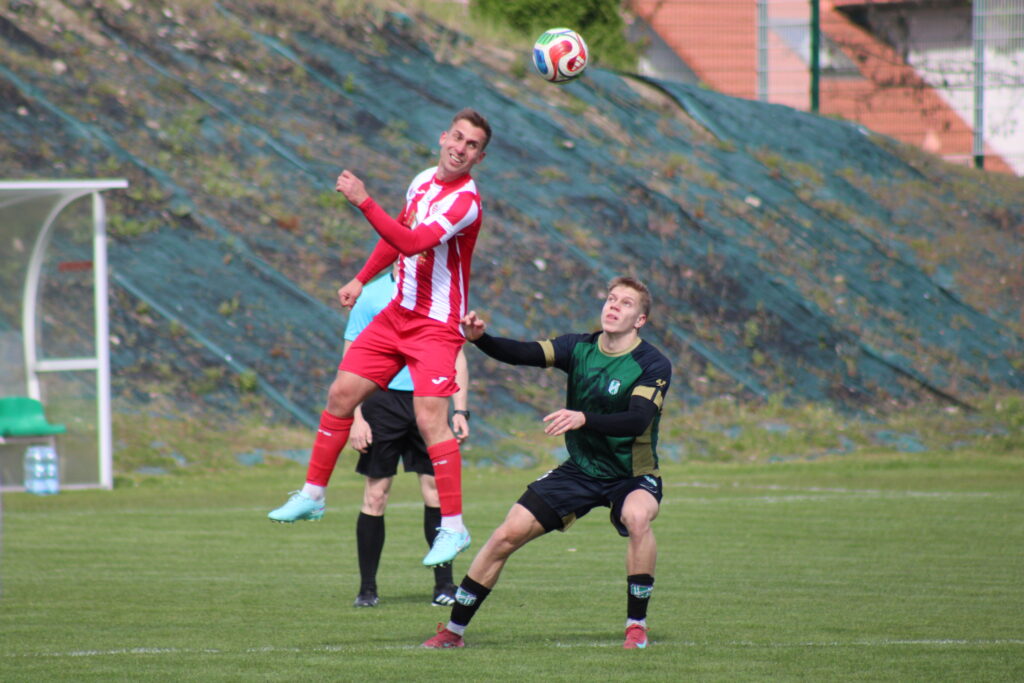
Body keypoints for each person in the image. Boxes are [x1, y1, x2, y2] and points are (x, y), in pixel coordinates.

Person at [269, 108, 491, 568]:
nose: (460, 148)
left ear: (479, 157)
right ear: (443, 137)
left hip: (434, 324)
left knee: (430, 421)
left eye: (471, 145)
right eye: (457, 137)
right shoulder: (422, 180)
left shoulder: (465, 202)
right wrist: (361, 278)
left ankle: (454, 527)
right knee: (340, 395)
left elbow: (414, 243)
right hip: (396, 314)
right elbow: (397, 238)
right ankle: (313, 494)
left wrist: (364, 202)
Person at [421, 276, 672, 650]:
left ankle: (636, 625)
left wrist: (584, 418)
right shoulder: (579, 347)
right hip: (581, 469)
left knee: (637, 517)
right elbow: (522, 353)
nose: (614, 306)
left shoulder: (652, 363)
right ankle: (453, 632)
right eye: (611, 298)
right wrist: (481, 340)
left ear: (640, 320)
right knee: (505, 535)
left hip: (632, 475)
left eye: (626, 303)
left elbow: (637, 420)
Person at [345, 266, 470, 608]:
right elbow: (351, 360)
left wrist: (460, 410)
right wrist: (356, 416)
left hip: (429, 400)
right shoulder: (370, 296)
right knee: (376, 495)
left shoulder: (440, 293)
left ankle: (444, 586)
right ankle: (367, 590)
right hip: (381, 401)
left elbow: (456, 354)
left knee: (435, 491)